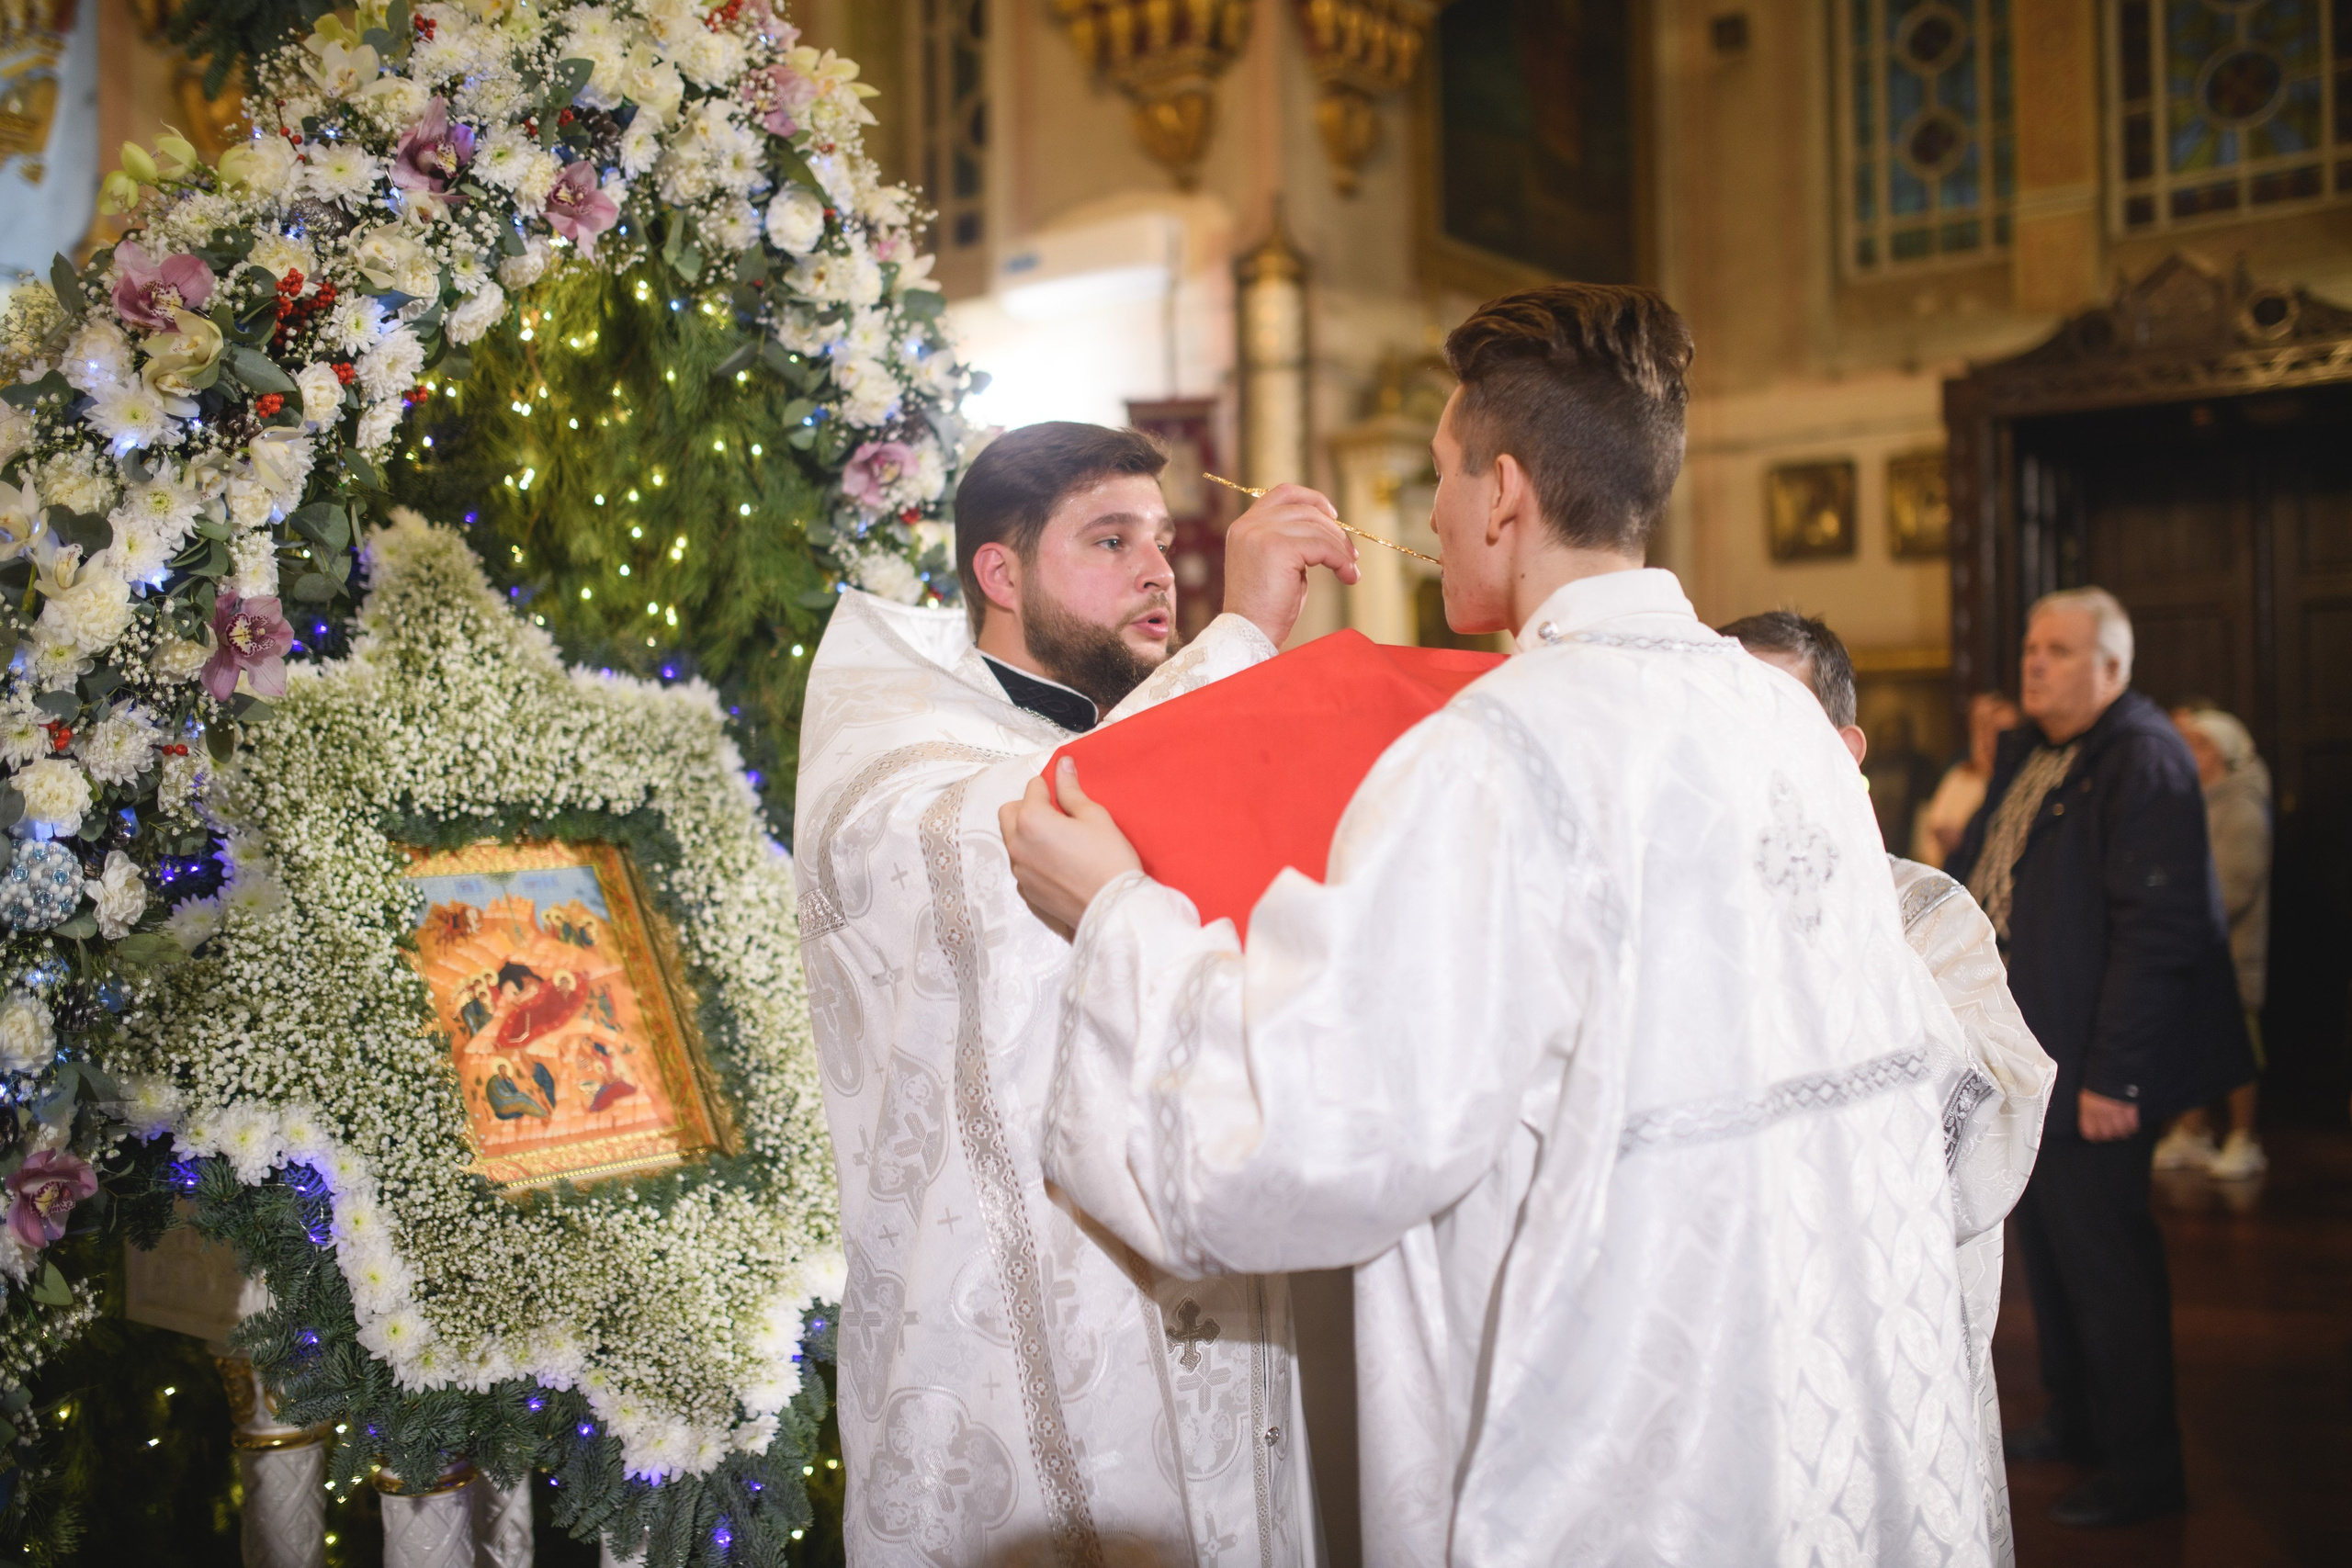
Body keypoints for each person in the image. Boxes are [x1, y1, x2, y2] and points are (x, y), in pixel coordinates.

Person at [1005, 284, 1996, 1565]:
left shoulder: (1495, 754)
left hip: (1636, 1465)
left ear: (1504, 495)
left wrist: (1120, 917)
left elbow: (1307, 1133)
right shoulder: (1789, 728)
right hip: (1829, 1436)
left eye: (1440, 474)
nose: (1429, 513)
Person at [792, 421, 1358, 1564]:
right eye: (1108, 539)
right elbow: (1014, 838)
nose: (1158, 572)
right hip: (1009, 1346)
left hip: (1210, 1295)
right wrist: (1238, 634)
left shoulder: (1140, 724)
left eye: (1160, 539)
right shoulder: (895, 756)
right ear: (998, 574)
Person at [1721, 608, 2055, 1568]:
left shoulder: (1925, 912)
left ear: (1843, 746)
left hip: (1890, 1355)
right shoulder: (1684, 913)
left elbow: (1986, 1142)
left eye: (1770, 717)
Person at [1949, 587, 2254, 1529]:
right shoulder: (2043, 750)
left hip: (2092, 1066)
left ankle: (2142, 1467)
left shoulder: (2144, 754)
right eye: (2030, 647)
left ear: (2112, 669)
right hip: (2032, 1058)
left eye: (2057, 650)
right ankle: (2077, 1419)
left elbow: (2160, 930)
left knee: (2107, 1269)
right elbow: (1974, 865)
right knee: (2050, 1256)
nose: (2032, 663)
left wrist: (2115, 1079)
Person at [2150, 705, 2272, 1179]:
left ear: (2221, 753)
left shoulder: (2240, 804)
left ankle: (2244, 1138)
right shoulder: (2196, 797)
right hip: (2192, 947)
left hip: (2231, 952)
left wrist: (2180, 905)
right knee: (2194, 1045)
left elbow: (2235, 883)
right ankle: (2193, 1131)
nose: (2188, 752)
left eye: (2199, 744)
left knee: (2239, 1048)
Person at [1916, 692, 2021, 867]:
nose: (1989, 740)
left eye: (2001, 734)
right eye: (1983, 729)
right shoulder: (1960, 776)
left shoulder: (2021, 781)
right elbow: (1931, 833)